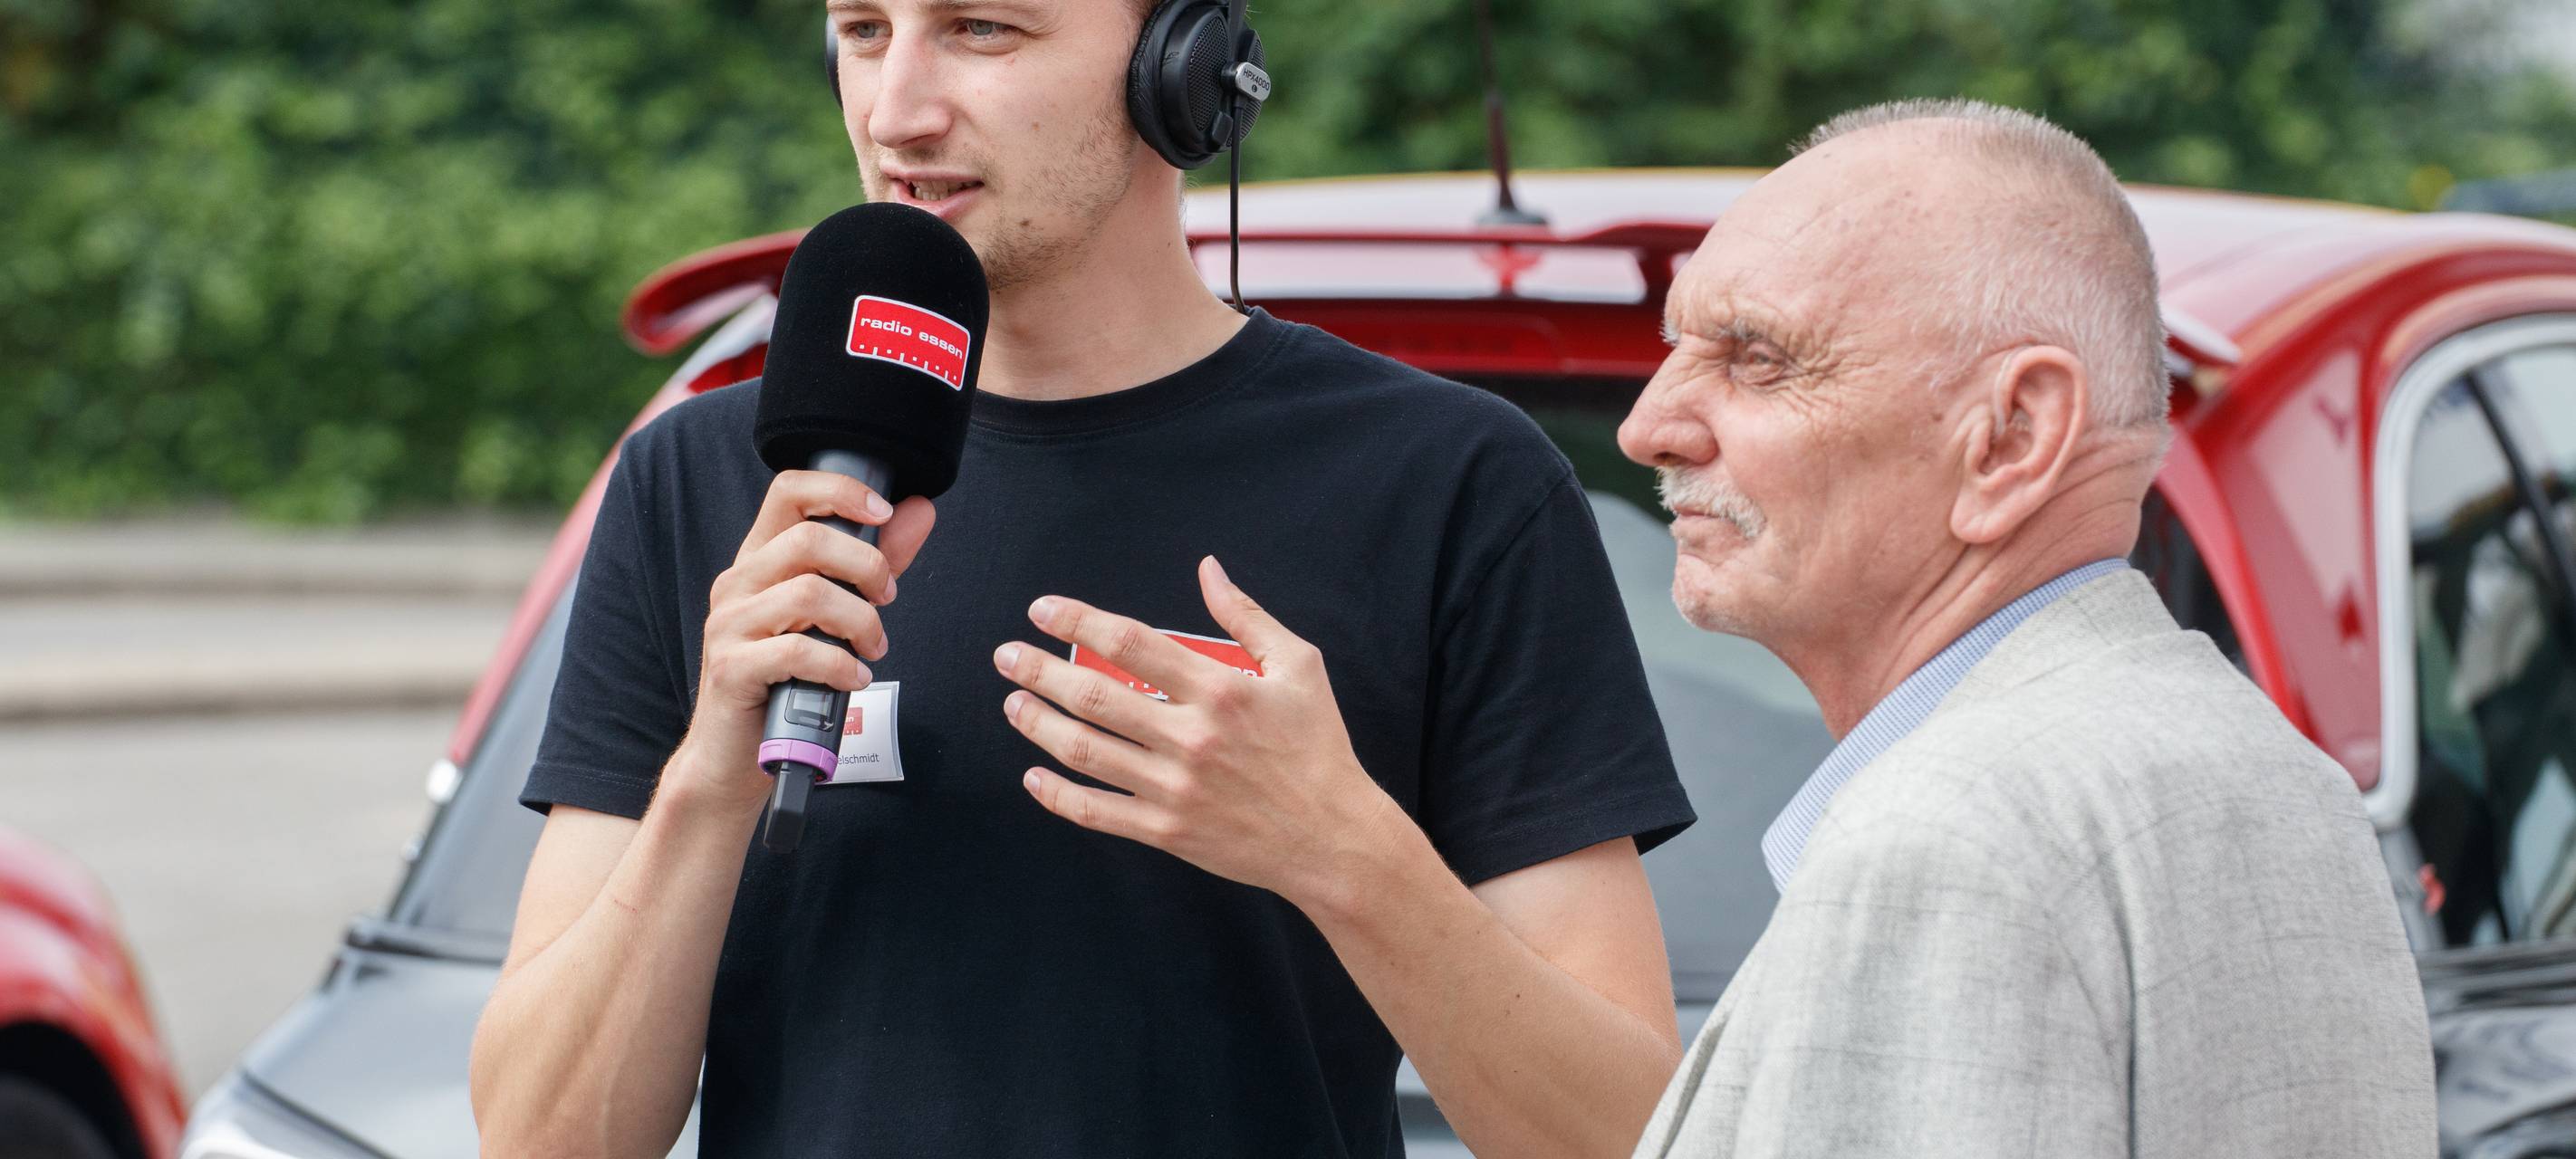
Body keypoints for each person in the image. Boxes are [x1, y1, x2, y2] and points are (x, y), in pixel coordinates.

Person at [466, 2, 1697, 1155]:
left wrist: (1343, 852)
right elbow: (540, 1136)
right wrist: (709, 782)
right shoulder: (702, 482)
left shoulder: (1455, 484)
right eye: (861, 29)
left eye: (980, 29)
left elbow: (1625, 1134)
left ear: (1185, 63)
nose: (895, 109)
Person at [1614, 99, 2437, 1158]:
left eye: (1758, 357)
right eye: (1678, 346)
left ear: (2014, 435)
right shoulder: (2269, 769)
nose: (1648, 424)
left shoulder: (1948, 833)